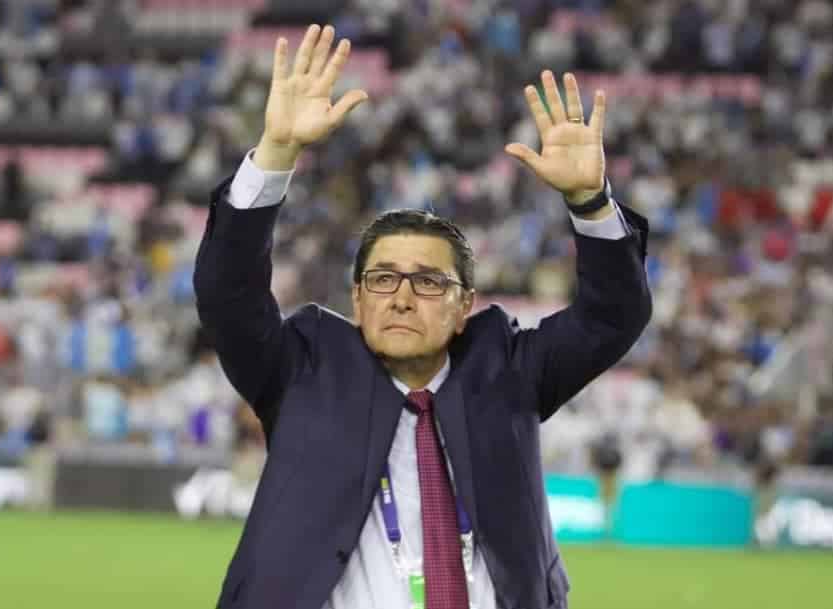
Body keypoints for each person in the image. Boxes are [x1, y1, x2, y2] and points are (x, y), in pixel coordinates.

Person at [194, 24, 652, 609]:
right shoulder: (303, 369)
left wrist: (590, 203)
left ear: (466, 305)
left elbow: (614, 315)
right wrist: (276, 155)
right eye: (382, 279)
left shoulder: (508, 370)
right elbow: (226, 292)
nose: (402, 297)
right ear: (357, 299)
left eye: (429, 281)